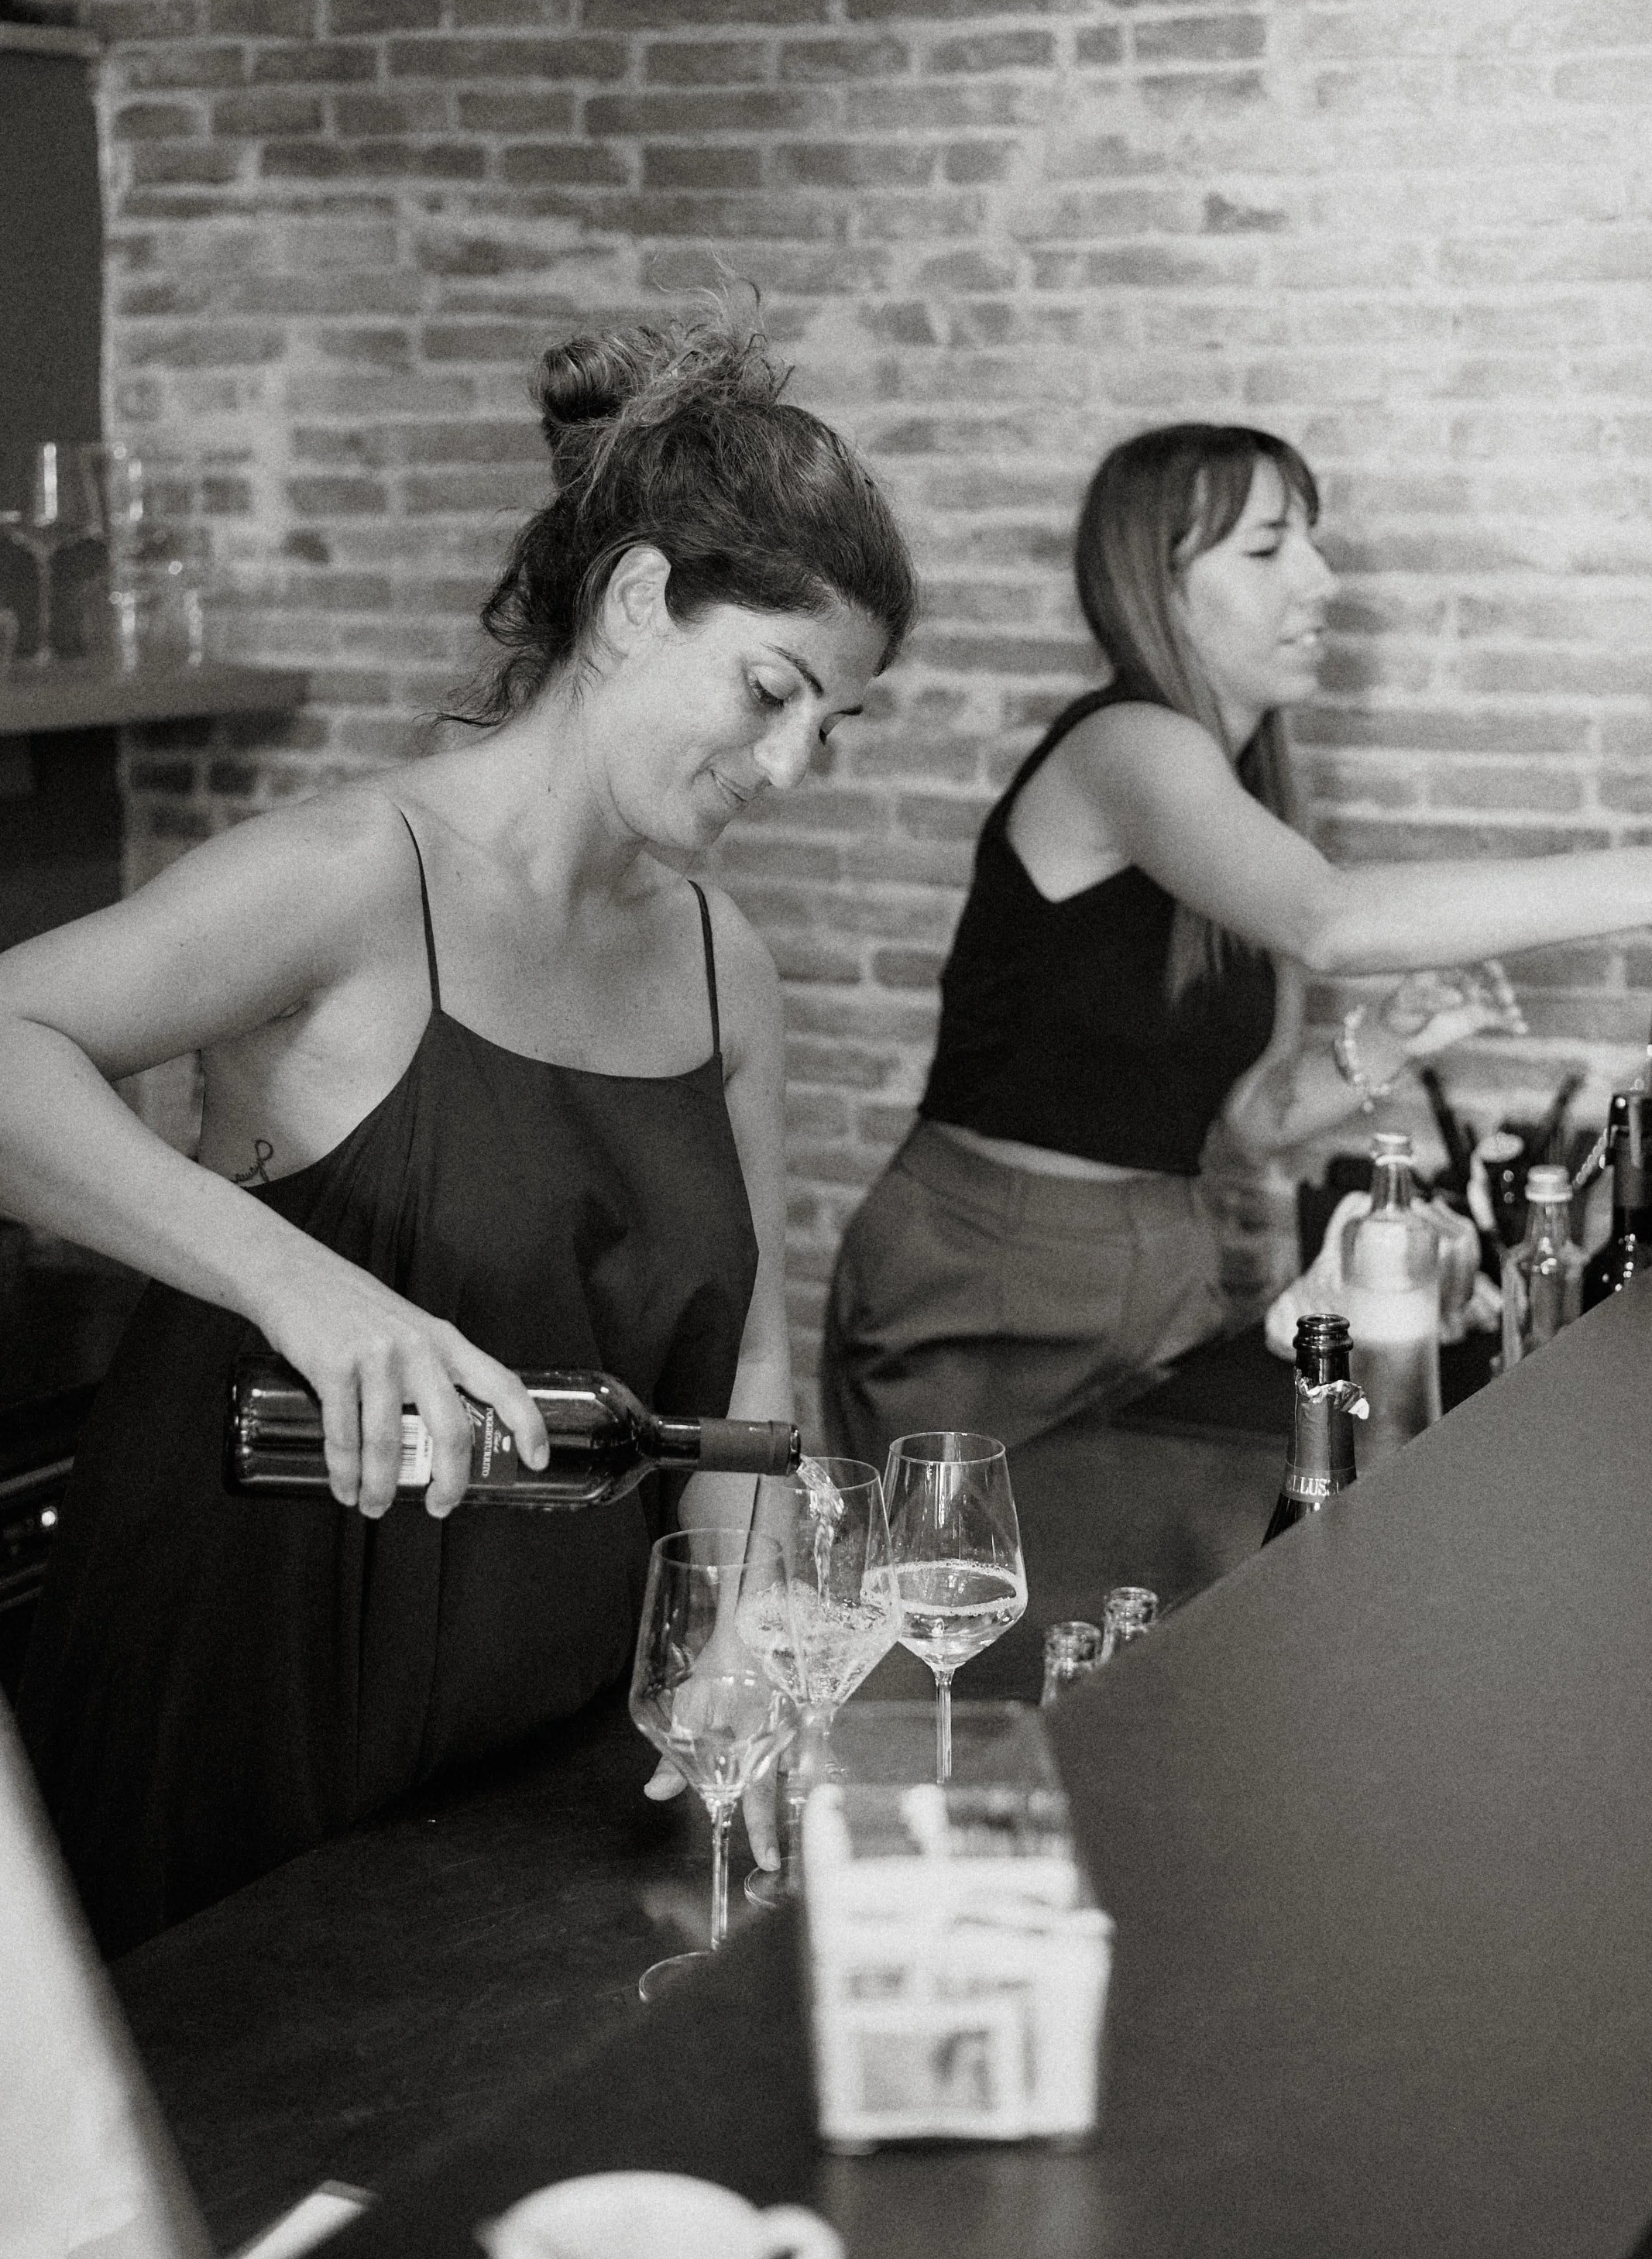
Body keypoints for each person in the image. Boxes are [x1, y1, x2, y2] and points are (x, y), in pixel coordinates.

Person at [0, 306, 915, 1955]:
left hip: (543, 1737)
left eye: (832, 725)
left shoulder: (727, 969)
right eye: (772, 691)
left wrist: (744, 1633)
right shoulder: (355, 875)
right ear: (637, 604)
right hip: (252, 1702)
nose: (792, 766)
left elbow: (749, 1373)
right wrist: (302, 1284)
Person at [823, 419, 1652, 1472]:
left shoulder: (1241, 799)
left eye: (1310, 541)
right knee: (950, 1620)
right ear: (1157, 588)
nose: (1321, 580)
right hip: (994, 1273)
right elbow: (1335, 922)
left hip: (1165, 1262)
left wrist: (1392, 1041)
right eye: (1267, 549)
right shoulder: (1126, 744)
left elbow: (1252, 1121)